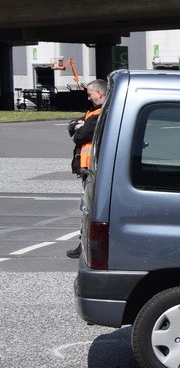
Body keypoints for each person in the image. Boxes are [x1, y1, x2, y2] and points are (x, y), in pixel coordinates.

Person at [66, 79, 107, 259]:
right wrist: (76, 125)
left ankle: (86, 245)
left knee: (88, 208)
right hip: (87, 167)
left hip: (93, 168)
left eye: (90, 94)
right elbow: (73, 126)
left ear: (99, 93)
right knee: (87, 207)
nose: (89, 98)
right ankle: (85, 243)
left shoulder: (100, 113)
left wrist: (79, 128)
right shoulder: (93, 112)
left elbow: (80, 136)